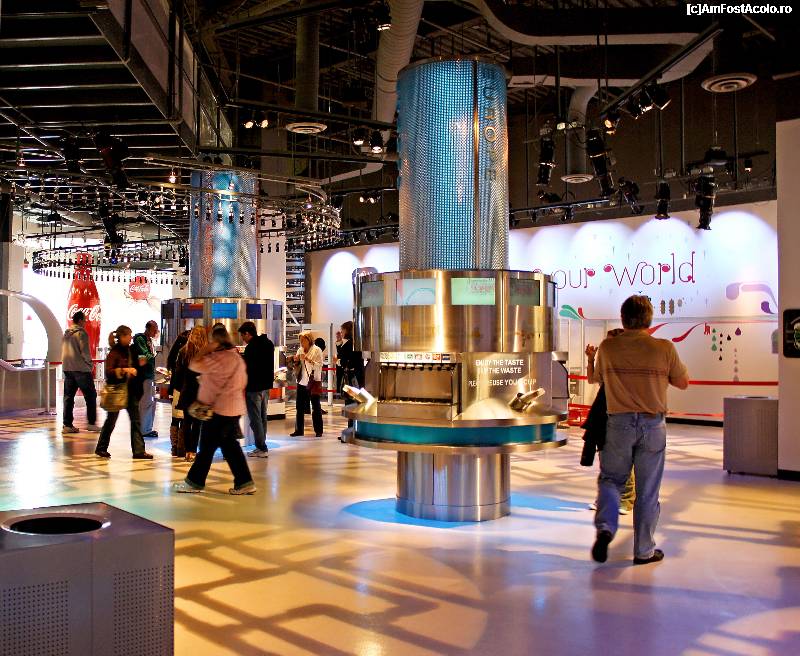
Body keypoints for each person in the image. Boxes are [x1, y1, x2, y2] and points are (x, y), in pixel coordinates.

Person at [588, 295, 689, 566]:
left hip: (618, 424)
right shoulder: (664, 348)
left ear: (623, 319)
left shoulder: (608, 347)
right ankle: (644, 551)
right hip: (653, 425)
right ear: (649, 319)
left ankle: (606, 528)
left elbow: (597, 378)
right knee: (647, 491)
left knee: (611, 480)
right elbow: (683, 382)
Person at [174, 325, 255, 494]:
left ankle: (194, 482)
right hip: (234, 409)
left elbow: (194, 364)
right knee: (229, 446)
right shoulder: (237, 358)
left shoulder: (215, 359)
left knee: (207, 447)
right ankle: (244, 482)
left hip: (217, 410)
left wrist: (206, 349)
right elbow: (243, 382)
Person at [582, 329, 635, 515]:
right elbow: (592, 379)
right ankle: (605, 497)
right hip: (603, 411)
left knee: (624, 456)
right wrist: (591, 359)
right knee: (604, 456)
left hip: (623, 412)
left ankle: (626, 499)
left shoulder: (629, 363)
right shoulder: (606, 361)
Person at [94, 325, 153, 459]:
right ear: (122, 337)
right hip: (117, 392)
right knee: (111, 421)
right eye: (129, 335)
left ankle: (138, 451)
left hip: (131, 391)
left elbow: (139, 362)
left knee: (135, 420)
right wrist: (125, 370)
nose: (131, 337)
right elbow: (109, 372)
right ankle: (101, 448)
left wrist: (141, 362)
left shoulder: (130, 350)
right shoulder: (114, 353)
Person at [238, 321, 274, 458]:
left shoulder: (251, 348)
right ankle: (262, 445)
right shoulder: (268, 343)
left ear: (247, 333)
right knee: (263, 417)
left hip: (254, 388)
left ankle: (261, 447)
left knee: (255, 419)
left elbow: (247, 368)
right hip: (266, 387)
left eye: (243, 336)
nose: (243, 339)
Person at [173, 326, 208, 462]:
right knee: (198, 424)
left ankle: (188, 452)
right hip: (201, 392)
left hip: (187, 390)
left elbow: (178, 373)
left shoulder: (183, 351)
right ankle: (193, 451)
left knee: (187, 422)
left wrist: (179, 387)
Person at [61, 310, 99, 433]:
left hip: (68, 369)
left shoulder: (66, 334)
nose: (86, 322)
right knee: (91, 396)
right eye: (84, 320)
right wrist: (90, 365)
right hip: (81, 370)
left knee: (68, 397)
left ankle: (67, 425)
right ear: (80, 320)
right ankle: (91, 423)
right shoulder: (81, 333)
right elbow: (85, 352)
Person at [289, 330, 324, 437]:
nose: (301, 343)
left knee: (316, 406)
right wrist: (295, 360)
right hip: (301, 381)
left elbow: (319, 365)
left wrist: (307, 359)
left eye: (303, 340)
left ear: (309, 340)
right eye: (300, 340)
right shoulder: (300, 350)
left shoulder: (317, 350)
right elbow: (297, 366)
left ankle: (318, 430)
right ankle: (299, 430)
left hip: (313, 381)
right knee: (299, 407)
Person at [133, 320, 159, 438]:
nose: (156, 332)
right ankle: (144, 429)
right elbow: (144, 356)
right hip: (143, 376)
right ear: (148, 329)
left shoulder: (149, 340)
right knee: (145, 402)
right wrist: (156, 358)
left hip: (150, 375)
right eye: (154, 329)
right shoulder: (140, 339)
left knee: (151, 402)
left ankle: (147, 428)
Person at [338, 321, 364, 388]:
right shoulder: (356, 342)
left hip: (352, 375)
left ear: (346, 330)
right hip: (358, 373)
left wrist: (337, 361)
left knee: (351, 393)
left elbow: (344, 360)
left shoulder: (348, 343)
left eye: (342, 330)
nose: (341, 332)